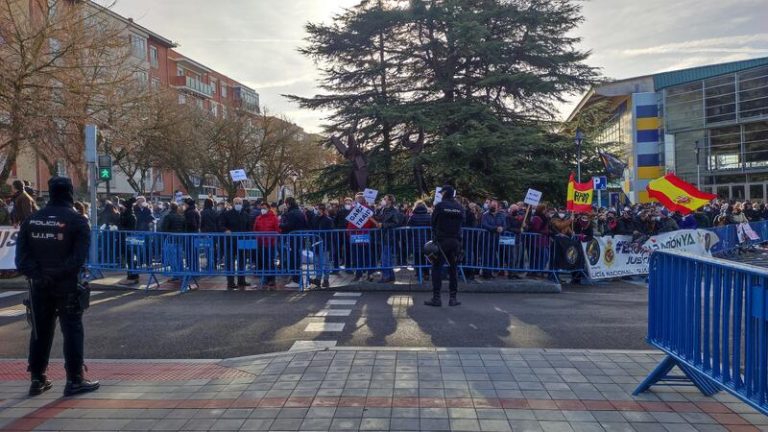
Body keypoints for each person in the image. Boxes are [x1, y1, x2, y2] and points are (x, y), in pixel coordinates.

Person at [16, 177, 99, 396]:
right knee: (72, 330)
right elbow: (78, 258)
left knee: (40, 331)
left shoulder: (32, 220)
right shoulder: (78, 221)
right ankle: (74, 379)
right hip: (67, 285)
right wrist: (57, 274)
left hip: (39, 285)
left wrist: (40, 275)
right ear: (70, 193)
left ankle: (37, 377)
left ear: (50, 193)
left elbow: (21, 260)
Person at [425, 185, 464, 307]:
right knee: (453, 269)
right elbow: (463, 221)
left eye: (442, 193)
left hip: (442, 241)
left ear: (445, 193)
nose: (440, 195)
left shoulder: (440, 206)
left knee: (437, 268)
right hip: (455, 242)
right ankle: (453, 298)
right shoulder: (459, 207)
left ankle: (437, 298)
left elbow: (433, 221)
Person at [220, 197, 252, 290]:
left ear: (242, 204)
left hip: (242, 241)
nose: (238, 204)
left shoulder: (246, 214)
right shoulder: (227, 214)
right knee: (230, 261)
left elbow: (248, 227)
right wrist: (226, 230)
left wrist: (248, 237)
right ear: (233, 204)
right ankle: (230, 282)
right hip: (230, 242)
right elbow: (221, 225)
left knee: (242, 261)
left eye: (239, 203)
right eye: (236, 203)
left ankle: (241, 280)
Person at [279, 197, 308, 285]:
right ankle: (297, 278)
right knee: (297, 257)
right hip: (299, 237)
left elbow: (289, 225)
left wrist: (280, 225)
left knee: (293, 258)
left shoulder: (291, 213)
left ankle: (295, 279)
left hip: (293, 238)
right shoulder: (300, 212)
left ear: (288, 204)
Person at [373, 194, 402, 283]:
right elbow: (379, 218)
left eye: (385, 199)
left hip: (389, 237)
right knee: (386, 257)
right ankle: (390, 276)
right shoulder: (383, 210)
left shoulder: (394, 211)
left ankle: (386, 276)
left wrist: (383, 225)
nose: (383, 200)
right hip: (384, 236)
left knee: (385, 258)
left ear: (390, 201)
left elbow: (396, 223)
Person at [253, 201, 280, 288]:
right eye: (261, 208)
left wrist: (273, 238)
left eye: (264, 208)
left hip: (270, 243)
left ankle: (271, 278)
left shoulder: (273, 218)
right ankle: (265, 277)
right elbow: (255, 229)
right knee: (263, 261)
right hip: (261, 242)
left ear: (268, 208)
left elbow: (278, 229)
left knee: (270, 261)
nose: (263, 210)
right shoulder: (258, 218)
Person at [480, 200, 506, 279]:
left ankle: (490, 272)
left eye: (494, 205)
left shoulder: (501, 215)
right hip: (486, 239)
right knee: (486, 256)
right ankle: (486, 273)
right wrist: (495, 228)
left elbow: (504, 225)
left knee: (492, 256)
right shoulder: (485, 215)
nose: (492, 207)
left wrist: (502, 228)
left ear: (498, 207)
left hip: (497, 239)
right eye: (491, 205)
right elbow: (485, 224)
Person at [120, 197, 139, 284]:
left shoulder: (130, 216)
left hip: (129, 238)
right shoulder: (128, 215)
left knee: (131, 257)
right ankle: (131, 274)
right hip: (129, 238)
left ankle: (133, 274)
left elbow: (125, 226)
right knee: (130, 257)